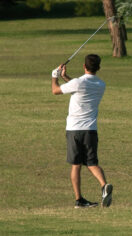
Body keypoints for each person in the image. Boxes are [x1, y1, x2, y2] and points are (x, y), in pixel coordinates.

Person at [51, 54, 113, 208]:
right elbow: (79, 87)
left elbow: (55, 90)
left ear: (84, 67)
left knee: (76, 164)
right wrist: (66, 77)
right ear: (98, 68)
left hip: (74, 130)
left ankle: (79, 200)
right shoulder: (101, 84)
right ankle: (104, 185)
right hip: (90, 130)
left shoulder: (78, 83)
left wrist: (55, 76)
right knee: (92, 163)